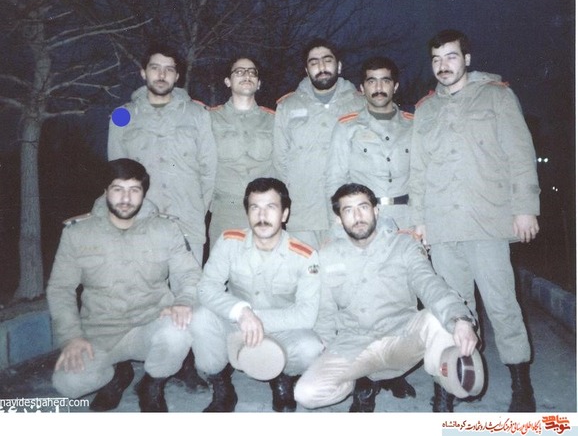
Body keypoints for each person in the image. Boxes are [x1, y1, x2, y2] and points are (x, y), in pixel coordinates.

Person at [409, 29, 541, 412]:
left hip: (486, 221)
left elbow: (520, 154)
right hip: (443, 226)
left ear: (466, 59)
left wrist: (525, 207)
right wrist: (419, 220)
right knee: (452, 308)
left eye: (451, 57)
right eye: (436, 59)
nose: (443, 66)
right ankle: (452, 381)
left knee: (501, 304)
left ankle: (521, 384)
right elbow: (418, 169)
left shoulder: (497, 96)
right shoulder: (425, 109)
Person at [294, 183, 479, 412]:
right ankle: (360, 381)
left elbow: (429, 283)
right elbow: (325, 311)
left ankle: (443, 390)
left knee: (438, 320)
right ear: (339, 219)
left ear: (376, 211)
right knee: (306, 393)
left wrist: (460, 318)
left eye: (363, 207)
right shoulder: (327, 255)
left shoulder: (403, 245)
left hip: (401, 337)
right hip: (355, 343)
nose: (357, 216)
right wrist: (323, 347)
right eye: (348, 210)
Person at [46, 159, 202, 412]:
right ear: (105, 191)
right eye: (118, 189)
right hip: (101, 331)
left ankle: (152, 384)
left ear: (144, 192)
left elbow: (189, 273)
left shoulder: (165, 228)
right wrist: (71, 337)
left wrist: (183, 301)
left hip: (150, 322)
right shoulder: (77, 233)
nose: (126, 199)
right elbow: (60, 289)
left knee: (178, 332)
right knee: (68, 384)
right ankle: (117, 375)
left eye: (134, 190)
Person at [189, 178, 323, 412]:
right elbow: (206, 287)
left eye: (271, 207)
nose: (262, 216)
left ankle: (283, 376)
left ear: (284, 214)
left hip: (281, 328)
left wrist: (255, 318)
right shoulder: (229, 241)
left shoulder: (305, 255)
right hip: (236, 324)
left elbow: (307, 314)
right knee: (200, 317)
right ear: (247, 213)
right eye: (255, 208)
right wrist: (241, 312)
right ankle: (220, 381)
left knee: (310, 348)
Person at [108, 42, 217, 266]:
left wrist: (197, 208)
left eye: (169, 69)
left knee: (188, 285)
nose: (161, 75)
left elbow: (209, 169)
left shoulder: (198, 114)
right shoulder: (122, 115)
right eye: (155, 68)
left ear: (177, 76)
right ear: (143, 72)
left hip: (187, 223)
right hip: (141, 222)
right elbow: (116, 172)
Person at [273, 38, 365, 248]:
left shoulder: (361, 103)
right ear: (306, 70)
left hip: (350, 212)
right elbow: (280, 161)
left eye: (327, 60)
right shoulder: (288, 106)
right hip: (303, 216)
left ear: (339, 66)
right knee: (305, 267)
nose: (321, 67)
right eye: (314, 62)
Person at [326, 56, 414, 231]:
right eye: (372, 82)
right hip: (363, 220)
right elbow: (335, 180)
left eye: (385, 81)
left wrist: (422, 222)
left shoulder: (413, 125)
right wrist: (337, 226)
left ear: (395, 86)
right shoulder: (347, 127)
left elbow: (422, 177)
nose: (379, 88)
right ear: (362, 88)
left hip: (407, 219)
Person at [207, 56, 275, 248]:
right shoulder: (210, 119)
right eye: (239, 72)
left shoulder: (274, 120)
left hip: (265, 210)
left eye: (252, 72)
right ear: (227, 81)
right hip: (225, 211)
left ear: (259, 83)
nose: (246, 75)